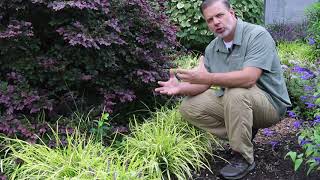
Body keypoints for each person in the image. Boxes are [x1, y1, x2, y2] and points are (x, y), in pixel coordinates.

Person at [155, 0, 292, 179]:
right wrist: (180, 87)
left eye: (219, 15)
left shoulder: (257, 35)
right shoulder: (213, 48)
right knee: (189, 107)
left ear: (232, 13)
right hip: (238, 101)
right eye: (210, 19)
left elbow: (249, 78)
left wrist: (208, 78)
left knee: (236, 92)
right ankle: (242, 134)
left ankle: (243, 157)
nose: (216, 22)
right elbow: (203, 84)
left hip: (269, 104)